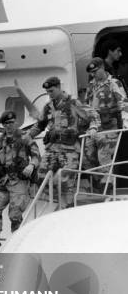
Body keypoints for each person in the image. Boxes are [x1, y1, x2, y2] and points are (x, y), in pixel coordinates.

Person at [28, 76, 99, 207]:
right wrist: (28, 136)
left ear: (59, 87)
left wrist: (93, 127)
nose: (50, 94)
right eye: (48, 92)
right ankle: (62, 201)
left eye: (52, 91)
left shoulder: (73, 103)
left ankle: (68, 207)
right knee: (41, 178)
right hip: (52, 149)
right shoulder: (48, 107)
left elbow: (93, 115)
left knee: (66, 183)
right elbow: (39, 125)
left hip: (69, 150)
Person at [84, 57, 128, 188]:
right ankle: (100, 182)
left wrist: (126, 121)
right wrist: (91, 125)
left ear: (102, 67)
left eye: (95, 71)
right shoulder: (91, 85)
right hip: (95, 125)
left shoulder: (114, 83)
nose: (93, 75)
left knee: (104, 155)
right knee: (87, 156)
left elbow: (123, 103)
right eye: (91, 73)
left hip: (110, 124)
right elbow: (88, 106)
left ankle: (108, 185)